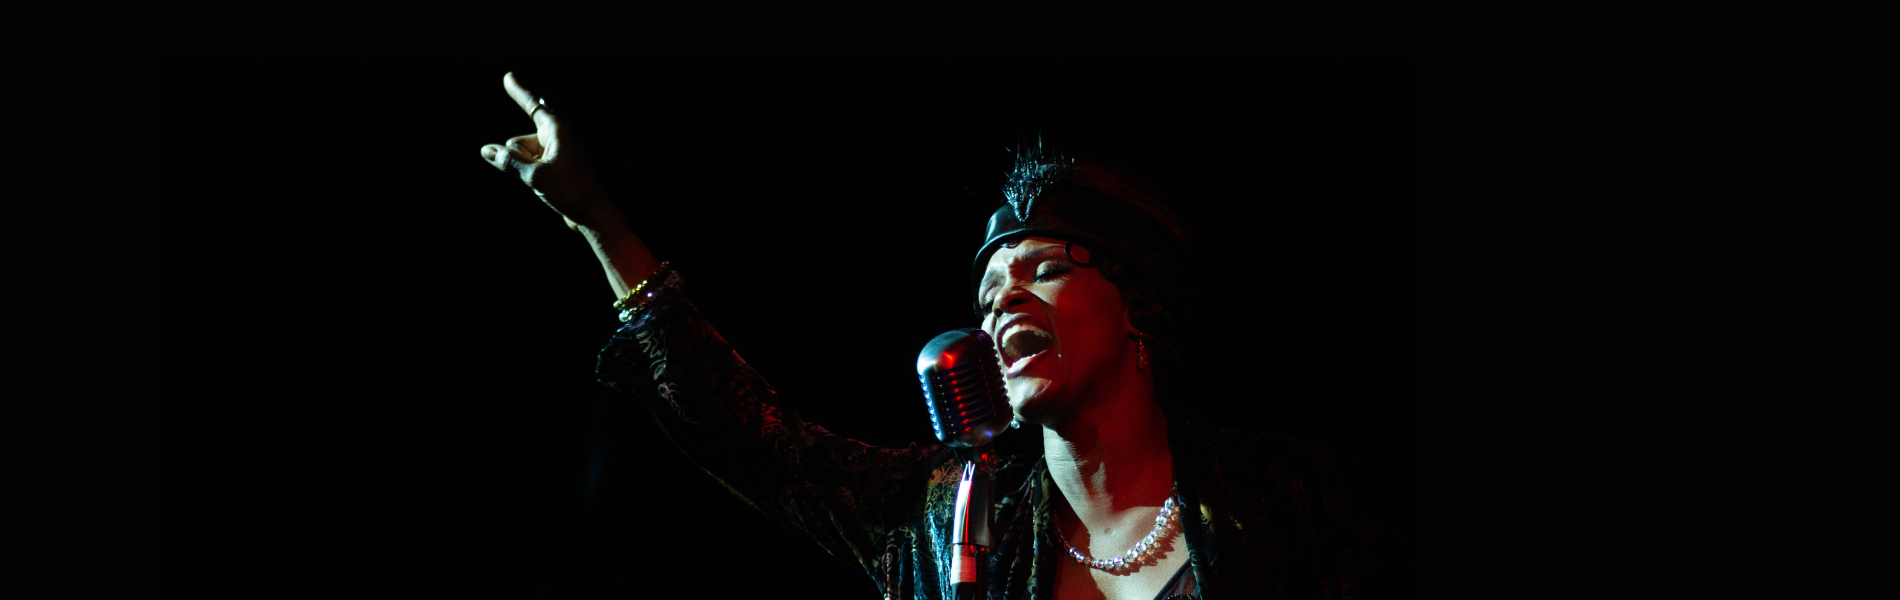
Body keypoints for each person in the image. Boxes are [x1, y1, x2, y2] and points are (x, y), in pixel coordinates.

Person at [480, 72, 1378, 600]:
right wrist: (599, 222)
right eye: (988, 291)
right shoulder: (950, 518)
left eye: (1046, 269)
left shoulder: (1286, 498)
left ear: (1137, 305)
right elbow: (755, 441)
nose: (1002, 304)